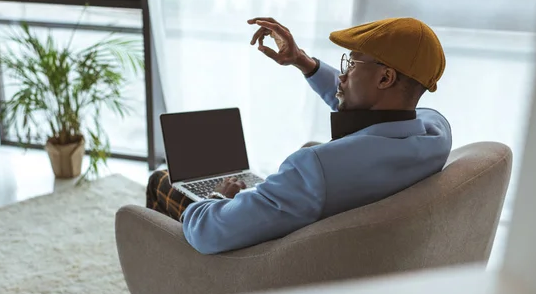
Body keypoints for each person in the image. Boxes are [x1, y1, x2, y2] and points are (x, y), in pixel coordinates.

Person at [146, 16, 451, 255]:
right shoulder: (435, 134)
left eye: (351, 64)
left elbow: (208, 233)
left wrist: (218, 197)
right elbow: (373, 111)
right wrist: (303, 61)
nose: (342, 75)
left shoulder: (315, 168)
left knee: (160, 180)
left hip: (252, 268)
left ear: (385, 77)